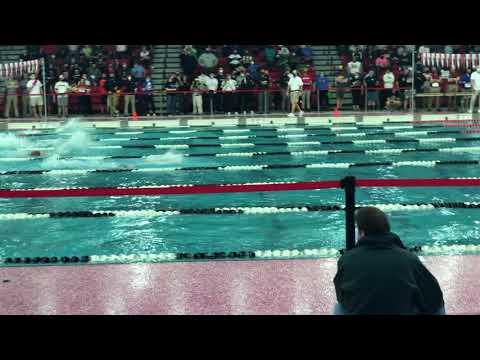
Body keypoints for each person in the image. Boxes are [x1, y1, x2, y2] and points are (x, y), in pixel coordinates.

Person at [333, 207, 445, 315]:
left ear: (362, 233)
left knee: (339, 307)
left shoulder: (347, 259)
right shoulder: (409, 259)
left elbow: (341, 296)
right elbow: (434, 298)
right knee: (436, 305)